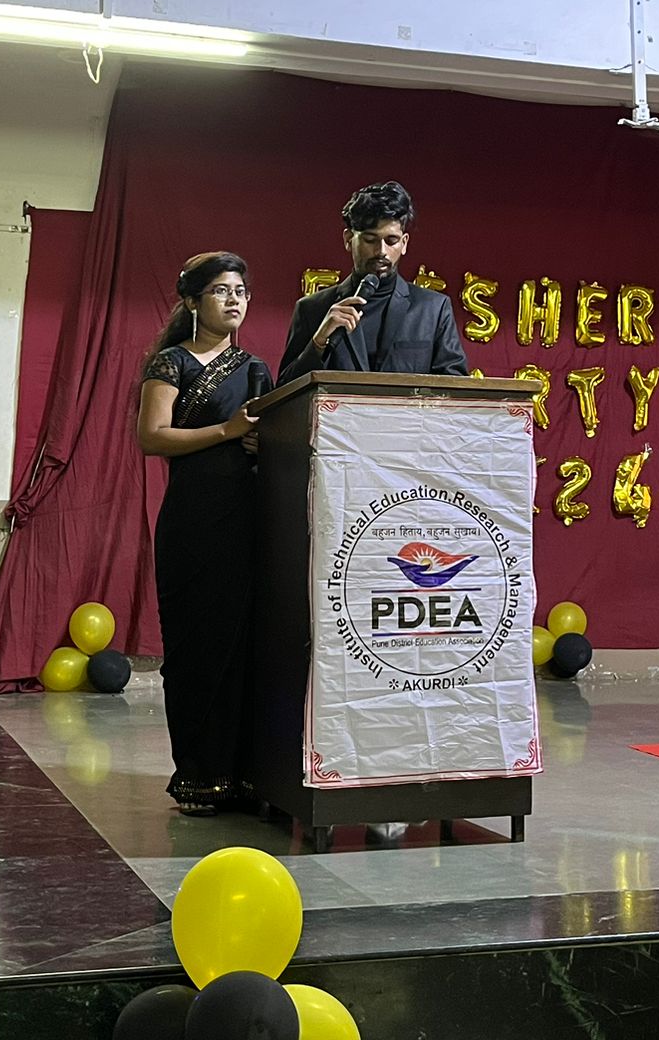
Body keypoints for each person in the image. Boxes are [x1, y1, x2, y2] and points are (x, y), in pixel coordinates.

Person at [137, 251, 274, 815]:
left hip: (247, 521)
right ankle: (198, 774)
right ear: (193, 301)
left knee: (243, 647)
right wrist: (227, 430)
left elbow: (269, 438)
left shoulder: (255, 369)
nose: (234, 299)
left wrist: (263, 442)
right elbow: (152, 437)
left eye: (240, 290)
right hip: (193, 524)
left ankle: (244, 775)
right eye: (220, 290)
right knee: (195, 648)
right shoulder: (172, 363)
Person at [278, 181, 469, 383]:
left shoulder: (433, 309)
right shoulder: (312, 309)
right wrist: (318, 343)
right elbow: (284, 390)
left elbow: (455, 387)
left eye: (391, 241)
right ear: (348, 239)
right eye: (370, 240)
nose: (381, 251)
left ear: (404, 243)